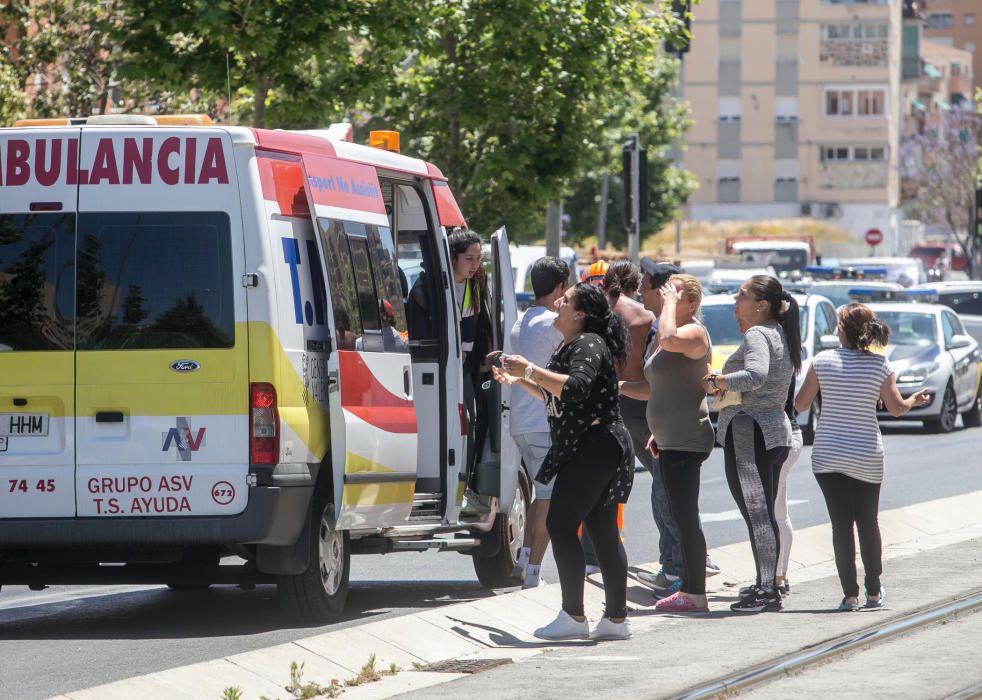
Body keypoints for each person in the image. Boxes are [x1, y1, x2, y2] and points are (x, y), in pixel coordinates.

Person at [492, 283, 634, 641]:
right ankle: (616, 620)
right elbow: (553, 394)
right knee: (601, 529)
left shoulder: (587, 343)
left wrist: (530, 369)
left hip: (595, 445)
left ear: (581, 313)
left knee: (560, 523)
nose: (558, 303)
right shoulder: (577, 344)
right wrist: (520, 376)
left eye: (566, 301)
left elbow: (576, 388)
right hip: (596, 444)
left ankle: (574, 615)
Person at [794, 303, 929, 612]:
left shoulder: (822, 361)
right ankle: (873, 590)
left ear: (842, 331)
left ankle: (849, 595)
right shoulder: (881, 366)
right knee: (868, 522)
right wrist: (912, 400)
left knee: (841, 525)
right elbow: (895, 409)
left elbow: (801, 405)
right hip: (867, 454)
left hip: (828, 456)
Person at [704, 275, 801, 612]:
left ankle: (766, 591)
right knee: (763, 514)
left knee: (757, 515)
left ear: (761, 304)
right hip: (771, 431)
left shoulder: (759, 333)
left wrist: (718, 380)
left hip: (750, 432)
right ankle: (766, 583)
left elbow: (756, 374)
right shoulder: (779, 332)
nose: (735, 300)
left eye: (742, 295)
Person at [630, 274, 715, 613]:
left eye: (676, 293)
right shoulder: (673, 333)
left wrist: (665, 304)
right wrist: (656, 429)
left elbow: (667, 337)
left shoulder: (693, 332)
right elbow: (661, 387)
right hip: (669, 438)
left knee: (684, 517)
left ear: (692, 304)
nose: (667, 295)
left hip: (688, 437)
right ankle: (691, 591)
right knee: (680, 517)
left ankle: (694, 592)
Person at [509, 257, 567, 589]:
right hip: (543, 420)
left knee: (538, 494)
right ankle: (533, 572)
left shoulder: (521, 321)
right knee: (549, 497)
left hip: (521, 420)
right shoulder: (551, 323)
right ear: (559, 287)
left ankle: (524, 559)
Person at [448, 230, 493, 486]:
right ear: (453, 257)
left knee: (469, 418)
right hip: (447, 362)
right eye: (469, 258)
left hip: (467, 362)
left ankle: (465, 478)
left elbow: (479, 320)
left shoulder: (476, 282)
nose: (475, 265)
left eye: (478, 258)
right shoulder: (434, 282)